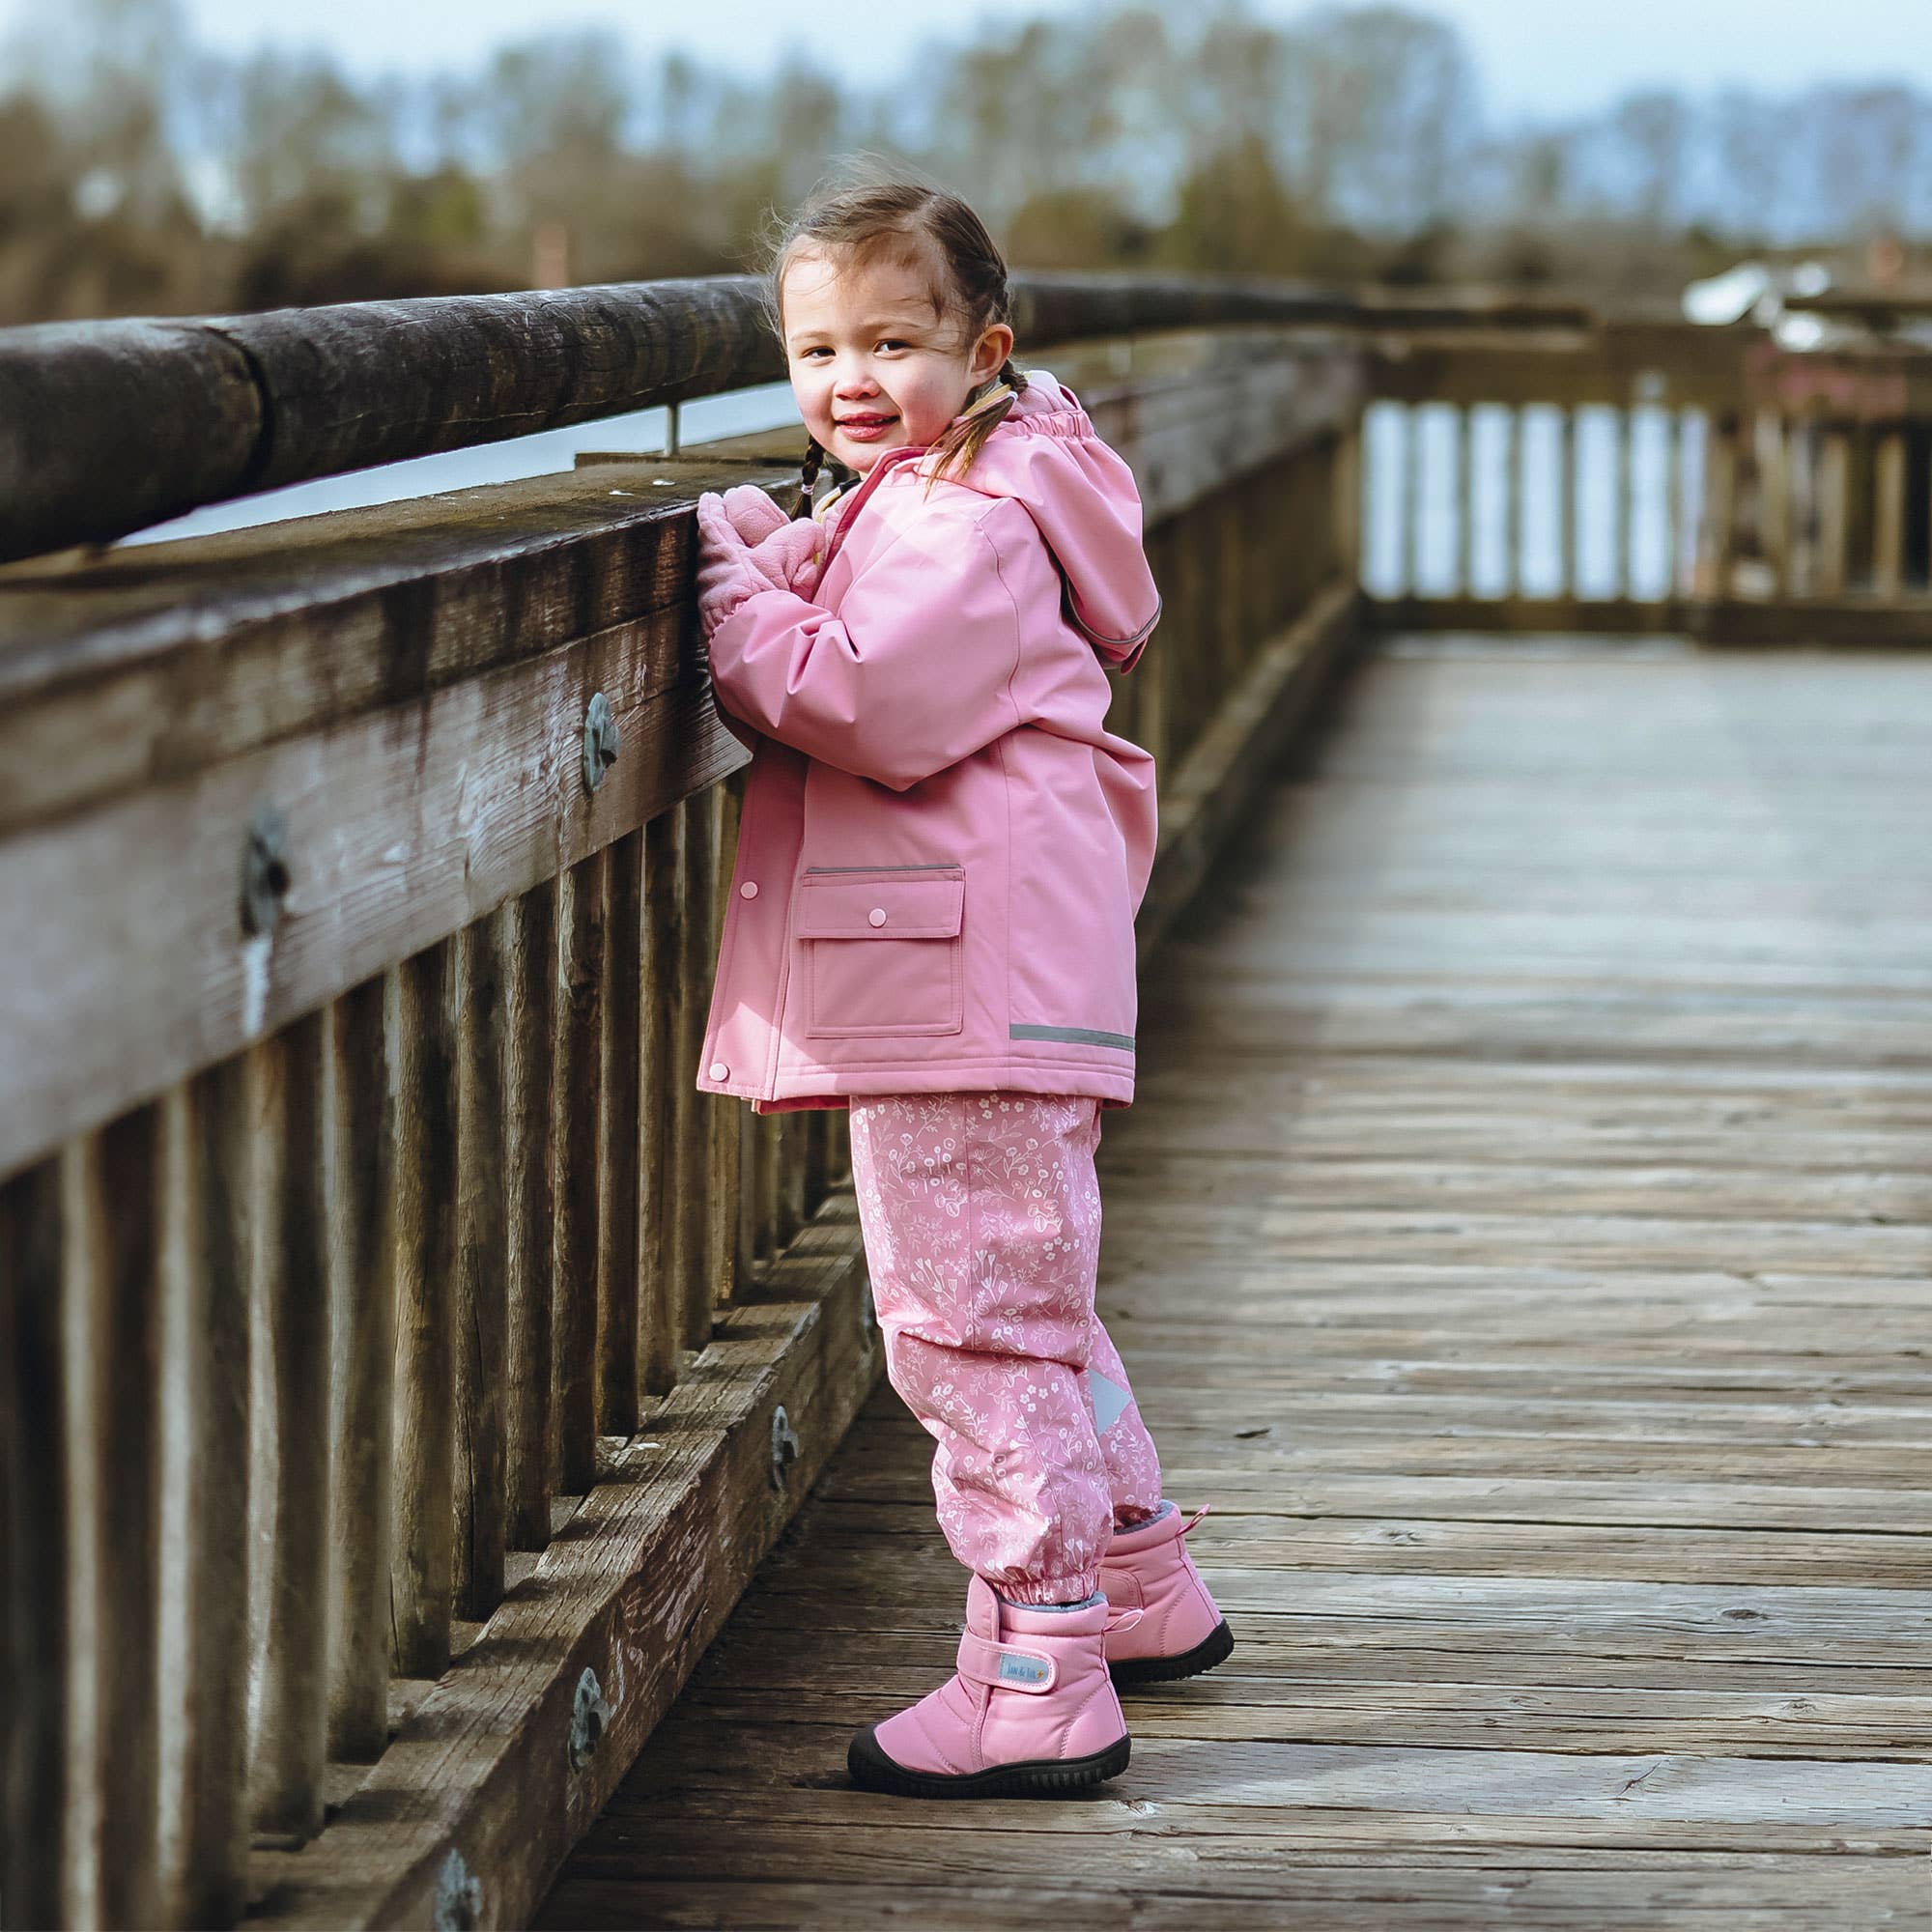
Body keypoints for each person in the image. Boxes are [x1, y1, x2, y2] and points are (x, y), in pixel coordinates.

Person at [690, 176, 1231, 1800]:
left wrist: (720, 565)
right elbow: (879, 605)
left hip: (964, 987)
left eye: (894, 340)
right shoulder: (965, 478)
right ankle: (1133, 1579)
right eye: (813, 350)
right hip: (998, 974)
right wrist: (797, 540)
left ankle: (1037, 1673)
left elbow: (850, 696)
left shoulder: (967, 519)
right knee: (1022, 1294)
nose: (849, 380)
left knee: (964, 1327)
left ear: (983, 343)